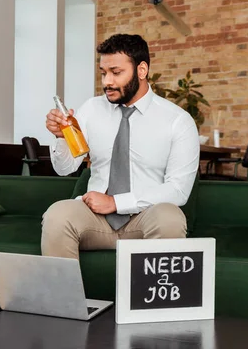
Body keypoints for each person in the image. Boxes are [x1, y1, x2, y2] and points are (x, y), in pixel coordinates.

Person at [42, 33, 200, 259]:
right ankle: (62, 295)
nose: (107, 81)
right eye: (104, 73)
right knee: (57, 214)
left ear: (142, 70)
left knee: (170, 217)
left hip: (145, 217)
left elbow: (179, 190)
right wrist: (60, 137)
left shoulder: (178, 121)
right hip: (94, 218)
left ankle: (151, 294)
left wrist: (116, 203)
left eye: (116, 73)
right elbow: (64, 169)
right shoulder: (92, 109)